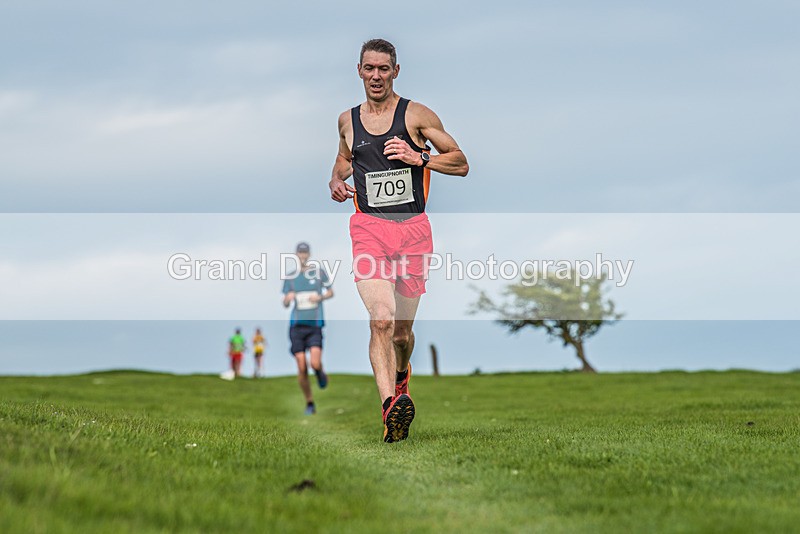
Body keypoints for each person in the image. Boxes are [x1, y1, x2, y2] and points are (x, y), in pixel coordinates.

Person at [328, 39, 469, 442]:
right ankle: (390, 406)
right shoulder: (347, 121)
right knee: (381, 319)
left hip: (413, 231)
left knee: (402, 334)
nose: (376, 76)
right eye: (369, 68)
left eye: (383, 69)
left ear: (395, 71)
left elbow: (461, 162)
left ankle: (401, 375)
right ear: (359, 71)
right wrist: (335, 180)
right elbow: (343, 159)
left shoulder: (417, 115)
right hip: (369, 228)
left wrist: (418, 157)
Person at [282, 242, 334, 415]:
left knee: (314, 363)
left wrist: (319, 297)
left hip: (315, 325)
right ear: (296, 255)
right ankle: (310, 402)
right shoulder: (290, 277)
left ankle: (320, 373)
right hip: (296, 326)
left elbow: (331, 292)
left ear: (309, 254)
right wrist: (288, 299)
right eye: (300, 253)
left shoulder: (319, 273)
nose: (303, 255)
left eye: (305, 253)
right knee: (302, 366)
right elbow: (285, 302)